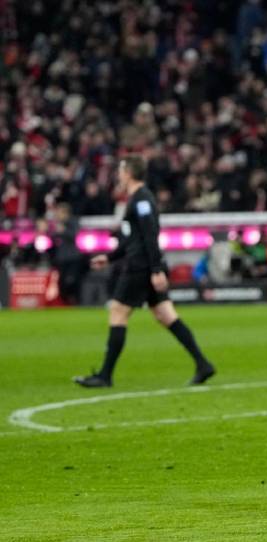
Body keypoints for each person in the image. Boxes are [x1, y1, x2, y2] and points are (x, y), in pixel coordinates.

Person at [73, 155, 215, 388]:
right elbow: (133, 239)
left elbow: (150, 236)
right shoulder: (137, 199)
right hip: (144, 264)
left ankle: (105, 375)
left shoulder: (142, 200)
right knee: (166, 315)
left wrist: (156, 270)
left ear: (128, 173)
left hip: (140, 267)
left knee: (118, 312)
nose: (118, 175)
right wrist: (109, 257)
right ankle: (203, 364)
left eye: (120, 170)